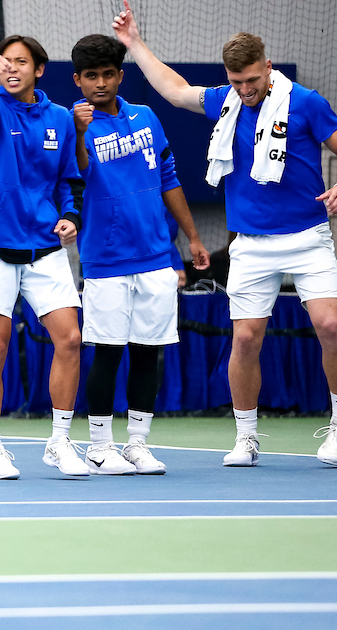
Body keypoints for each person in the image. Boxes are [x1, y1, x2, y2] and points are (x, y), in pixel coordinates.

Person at [113, 0, 337, 468]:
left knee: (330, 326)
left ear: (267, 68)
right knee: (245, 340)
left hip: (308, 237)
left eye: (252, 79)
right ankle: (246, 437)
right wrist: (135, 43)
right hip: (250, 244)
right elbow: (176, 90)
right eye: (236, 81)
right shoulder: (226, 102)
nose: (245, 89)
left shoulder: (305, 102)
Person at [69, 34, 211, 475]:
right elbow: (76, 174)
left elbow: (169, 177)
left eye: (107, 74)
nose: (100, 83)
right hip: (106, 260)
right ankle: (98, 446)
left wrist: (192, 238)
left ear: (119, 76)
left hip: (156, 257)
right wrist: (78, 133)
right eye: (90, 76)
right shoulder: (74, 124)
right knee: (108, 352)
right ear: (77, 80)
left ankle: (137, 444)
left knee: (148, 351)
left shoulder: (147, 117)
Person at [0, 35, 87, 481]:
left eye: (22, 62)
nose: (12, 68)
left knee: (70, 339)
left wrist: (70, 216)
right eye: (6, 61)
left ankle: (58, 442)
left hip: (45, 247)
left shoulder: (58, 117)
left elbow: (68, 179)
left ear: (39, 69)